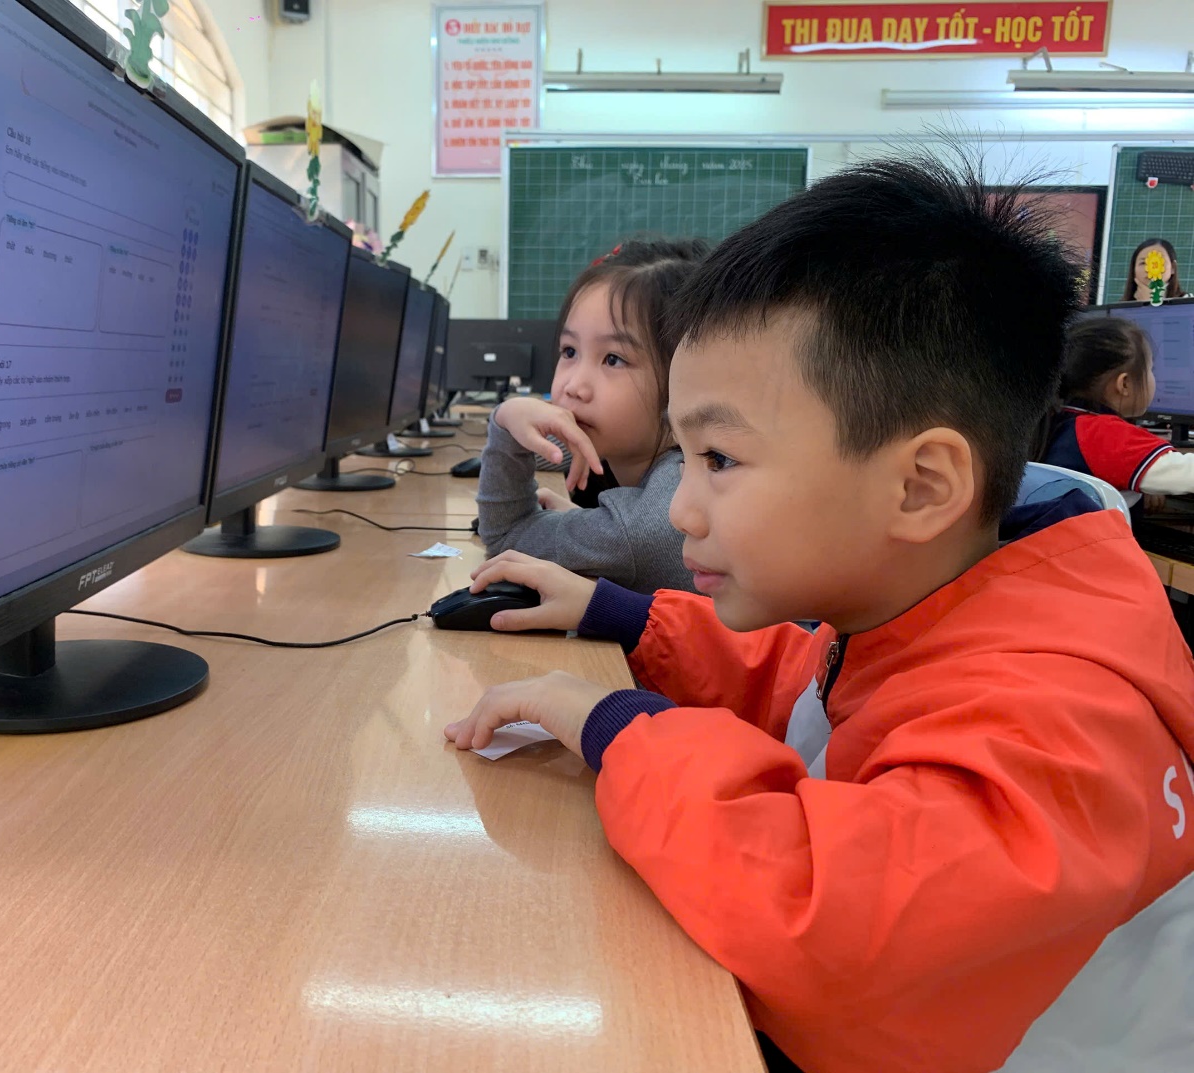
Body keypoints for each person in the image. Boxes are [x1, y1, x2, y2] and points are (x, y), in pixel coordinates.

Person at [445, 152, 1194, 1073]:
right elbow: (804, 690)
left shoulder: (1061, 719)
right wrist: (627, 618)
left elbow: (829, 925)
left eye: (718, 458)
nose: (682, 507)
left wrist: (617, 725)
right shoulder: (931, 596)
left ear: (920, 485)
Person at [475, 240, 708, 594]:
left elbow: (504, 535)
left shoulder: (652, 519)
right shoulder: (678, 474)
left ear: (684, 379)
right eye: (569, 351)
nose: (573, 386)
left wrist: (504, 422)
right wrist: (580, 523)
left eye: (612, 359)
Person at [1041, 316, 1194, 513]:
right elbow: (1188, 474)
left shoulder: (1057, 420)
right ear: (1124, 384)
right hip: (1094, 541)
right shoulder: (1104, 434)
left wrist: (1143, 478)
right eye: (1150, 369)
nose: (1153, 378)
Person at [1121, 237, 1185, 302]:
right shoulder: (1119, 309)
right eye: (1143, 263)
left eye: (1159, 262)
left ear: (1173, 267)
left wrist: (1149, 303)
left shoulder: (1188, 303)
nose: (1150, 269)